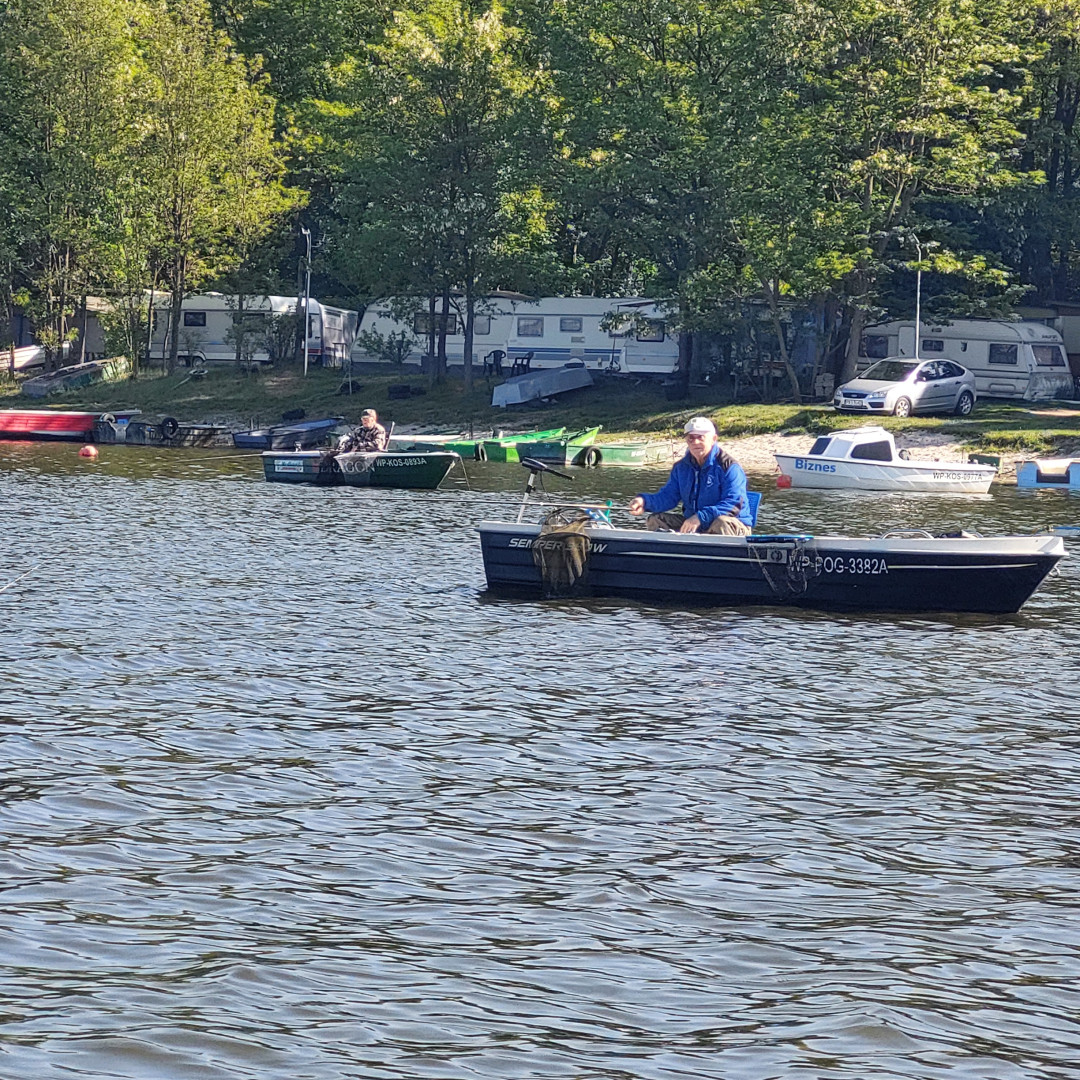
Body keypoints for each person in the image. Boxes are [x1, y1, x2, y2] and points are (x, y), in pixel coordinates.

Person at [628, 416, 753, 535]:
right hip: (695, 525)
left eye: (700, 437)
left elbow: (733, 504)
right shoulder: (681, 468)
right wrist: (644, 502)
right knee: (655, 519)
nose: (695, 442)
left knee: (721, 522)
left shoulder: (729, 467)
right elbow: (668, 497)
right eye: (691, 438)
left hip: (732, 524)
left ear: (714, 439)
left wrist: (700, 517)